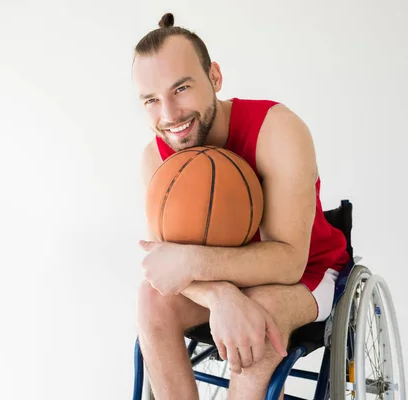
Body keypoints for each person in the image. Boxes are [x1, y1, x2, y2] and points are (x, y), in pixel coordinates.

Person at [132, 13, 351, 400]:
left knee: (260, 318)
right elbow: (164, 268)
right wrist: (221, 296)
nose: (168, 115)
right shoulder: (156, 159)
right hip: (225, 282)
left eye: (181, 88)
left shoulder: (277, 130)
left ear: (214, 77)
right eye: (151, 100)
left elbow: (289, 262)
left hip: (309, 272)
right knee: (151, 299)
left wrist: (197, 265)